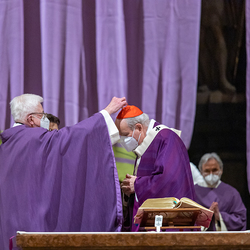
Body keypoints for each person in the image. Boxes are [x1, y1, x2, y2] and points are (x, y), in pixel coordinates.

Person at [0, 93, 127, 250]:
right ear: (31, 119)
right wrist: (106, 112)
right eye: (42, 115)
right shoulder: (34, 139)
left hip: (9, 225)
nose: (46, 120)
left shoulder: (6, 145)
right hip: (33, 226)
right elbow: (72, 138)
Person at [115, 105, 195, 231]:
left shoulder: (166, 139)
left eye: (125, 135)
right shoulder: (145, 146)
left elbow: (169, 180)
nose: (123, 140)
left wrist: (137, 184)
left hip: (170, 225)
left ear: (139, 128)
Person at [194, 152, 246, 231]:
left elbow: (240, 219)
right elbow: (186, 219)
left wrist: (219, 216)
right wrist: (207, 216)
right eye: (207, 171)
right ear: (201, 172)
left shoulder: (232, 193)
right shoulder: (193, 192)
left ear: (221, 170)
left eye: (214, 170)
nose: (211, 174)